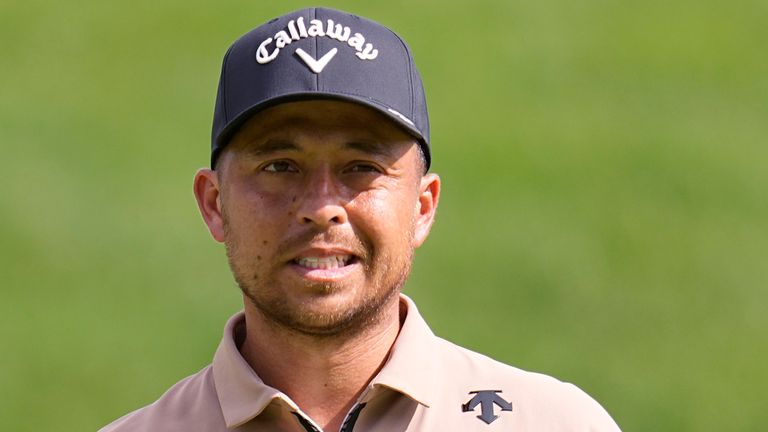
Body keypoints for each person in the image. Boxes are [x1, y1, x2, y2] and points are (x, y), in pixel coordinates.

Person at [100, 7, 620, 432]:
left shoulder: (553, 423)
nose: (322, 205)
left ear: (422, 206)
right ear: (214, 204)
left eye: (361, 168)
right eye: (280, 166)